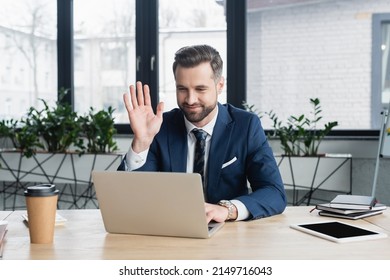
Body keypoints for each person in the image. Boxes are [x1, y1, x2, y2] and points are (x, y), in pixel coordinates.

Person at [118, 44, 286, 223]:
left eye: (200, 89)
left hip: (228, 235)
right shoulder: (160, 127)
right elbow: (128, 199)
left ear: (220, 85)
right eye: (182, 89)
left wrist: (227, 210)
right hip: (170, 232)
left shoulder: (246, 126)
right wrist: (142, 142)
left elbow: (273, 192)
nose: (190, 99)